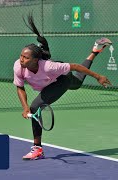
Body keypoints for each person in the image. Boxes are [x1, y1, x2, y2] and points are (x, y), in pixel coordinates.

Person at [14, 14, 112, 160]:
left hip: (60, 80)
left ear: (35, 60)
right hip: (51, 83)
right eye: (21, 56)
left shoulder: (48, 66)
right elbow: (20, 87)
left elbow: (75, 66)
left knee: (36, 107)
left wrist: (98, 77)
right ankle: (95, 51)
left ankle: (37, 149)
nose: (22, 59)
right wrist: (25, 107)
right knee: (78, 83)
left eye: (26, 57)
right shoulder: (18, 66)